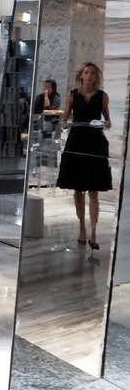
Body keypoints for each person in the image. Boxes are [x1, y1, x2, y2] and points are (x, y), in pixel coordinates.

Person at [56, 62, 112, 250]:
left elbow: (108, 120)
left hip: (95, 144)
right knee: (78, 189)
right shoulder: (73, 95)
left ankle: (94, 232)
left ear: (96, 77)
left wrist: (106, 123)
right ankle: (81, 228)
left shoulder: (102, 96)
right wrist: (65, 123)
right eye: (86, 72)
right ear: (81, 75)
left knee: (94, 190)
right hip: (76, 142)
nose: (89, 76)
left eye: (93, 73)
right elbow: (64, 118)